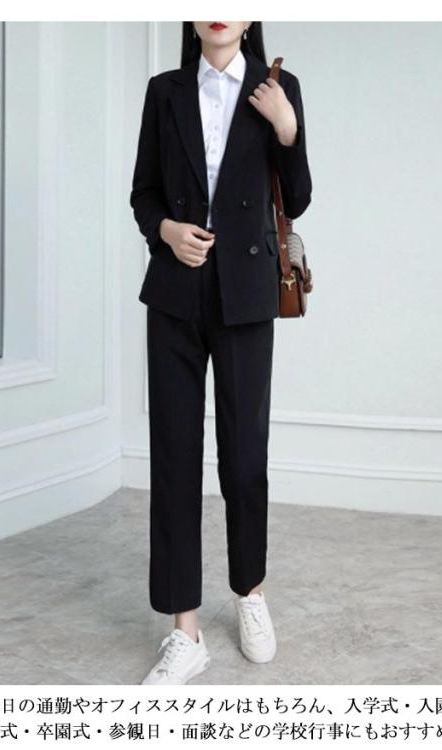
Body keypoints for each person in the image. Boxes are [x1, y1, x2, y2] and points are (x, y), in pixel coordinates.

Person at [129, 20, 312, 684]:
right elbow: (143, 192)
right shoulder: (165, 90)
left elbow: (298, 198)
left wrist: (287, 128)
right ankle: (186, 631)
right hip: (176, 294)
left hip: (248, 293)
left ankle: (250, 593)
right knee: (174, 457)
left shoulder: (278, 87)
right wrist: (166, 231)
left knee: (245, 455)